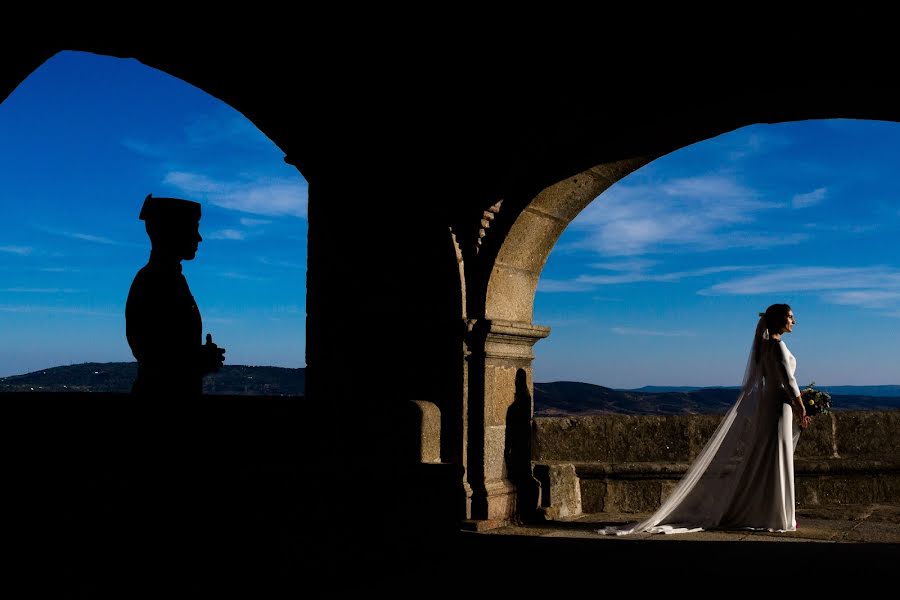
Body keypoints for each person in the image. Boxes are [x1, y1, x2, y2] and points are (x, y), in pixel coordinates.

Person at [598, 303, 809, 535]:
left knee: (768, 459)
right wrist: (801, 406)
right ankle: (778, 515)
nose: (794, 321)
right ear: (779, 319)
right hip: (780, 407)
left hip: (772, 405)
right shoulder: (778, 347)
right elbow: (789, 381)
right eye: (790, 317)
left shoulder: (764, 346)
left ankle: (772, 512)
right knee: (776, 458)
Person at [126, 193, 225, 395]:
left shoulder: (166, 279)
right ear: (173, 232)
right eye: (193, 229)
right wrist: (201, 360)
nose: (199, 237)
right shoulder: (154, 281)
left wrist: (200, 358)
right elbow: (154, 356)